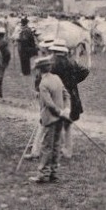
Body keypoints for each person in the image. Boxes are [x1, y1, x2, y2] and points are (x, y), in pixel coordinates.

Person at [29, 55, 71, 184]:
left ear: (39, 70)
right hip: (60, 118)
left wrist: (60, 112)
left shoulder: (43, 83)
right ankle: (53, 173)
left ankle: (42, 174)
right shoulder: (57, 78)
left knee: (47, 146)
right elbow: (66, 94)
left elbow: (49, 104)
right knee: (56, 146)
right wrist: (66, 110)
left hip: (51, 118)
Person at [49, 39, 89, 159]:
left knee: (56, 124)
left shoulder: (52, 64)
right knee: (67, 125)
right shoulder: (71, 62)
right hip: (72, 96)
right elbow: (85, 71)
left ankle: (59, 149)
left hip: (58, 97)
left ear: (55, 51)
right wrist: (73, 82)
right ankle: (68, 150)